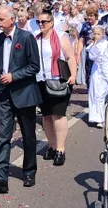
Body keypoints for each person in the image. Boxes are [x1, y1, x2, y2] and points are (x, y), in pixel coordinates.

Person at [0, 6, 40, 195]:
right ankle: (0, 178)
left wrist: (14, 76)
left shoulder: (26, 38)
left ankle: (29, 171)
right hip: (4, 95)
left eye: (1, 19)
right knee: (2, 136)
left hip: (24, 93)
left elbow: (34, 66)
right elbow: (1, 63)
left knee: (28, 135)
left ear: (12, 19)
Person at [35, 8, 77, 165]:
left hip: (58, 80)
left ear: (51, 23)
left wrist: (73, 75)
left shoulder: (60, 37)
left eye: (43, 22)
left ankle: (60, 149)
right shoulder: (36, 38)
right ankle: (52, 146)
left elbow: (70, 57)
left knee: (58, 115)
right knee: (46, 116)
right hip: (40, 81)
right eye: (38, 22)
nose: (40, 24)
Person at [88, 25, 108, 128]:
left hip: (106, 70)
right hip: (96, 70)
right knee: (96, 92)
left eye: (98, 34)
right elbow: (91, 56)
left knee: (104, 93)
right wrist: (94, 45)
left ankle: (105, 117)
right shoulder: (93, 45)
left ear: (103, 34)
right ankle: (97, 117)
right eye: (95, 34)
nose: (96, 36)